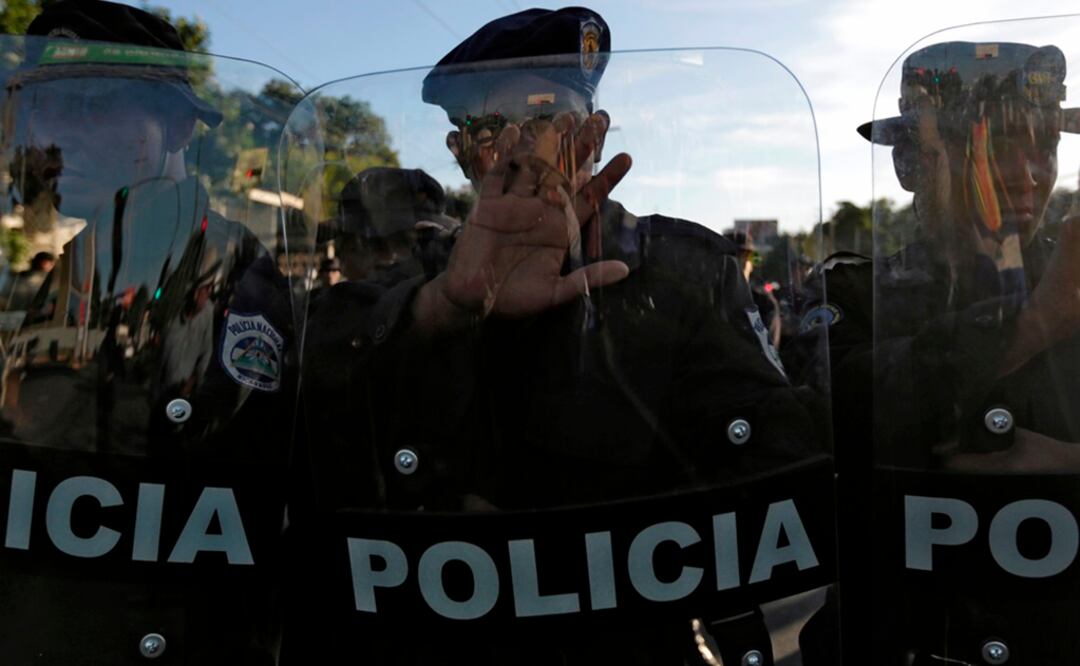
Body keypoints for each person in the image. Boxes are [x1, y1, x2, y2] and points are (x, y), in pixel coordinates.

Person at [291, 7, 829, 665]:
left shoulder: (683, 269)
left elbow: (780, 469)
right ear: (460, 153)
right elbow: (312, 392)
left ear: (593, 135)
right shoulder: (422, 278)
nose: (514, 147)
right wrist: (445, 306)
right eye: (485, 128)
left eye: (541, 117)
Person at [0, 2, 298, 663]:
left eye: (92, 104)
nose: (55, 135)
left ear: (175, 124)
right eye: (42, 110)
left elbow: (192, 493)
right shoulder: (90, 256)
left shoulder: (221, 264)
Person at [804, 40, 1080, 664]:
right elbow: (826, 413)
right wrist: (1031, 325)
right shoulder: (851, 295)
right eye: (993, 144)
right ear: (909, 164)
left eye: (1046, 144)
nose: (1030, 172)